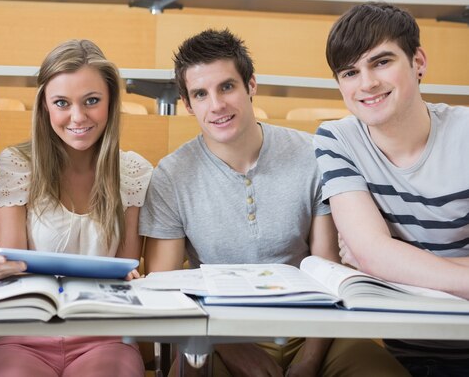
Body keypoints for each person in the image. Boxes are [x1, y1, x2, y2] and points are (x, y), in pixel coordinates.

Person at [140, 28, 408, 376]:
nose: (217, 105)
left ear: (250, 85)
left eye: (227, 86)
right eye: (201, 94)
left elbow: (328, 268)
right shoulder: (171, 175)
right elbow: (166, 286)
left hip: (314, 329)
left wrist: (310, 360)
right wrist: (229, 345)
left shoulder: (313, 154)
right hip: (217, 333)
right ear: (188, 105)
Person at [0, 39, 152, 377]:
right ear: (45, 108)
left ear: (110, 103)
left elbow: (126, 271)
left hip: (105, 333)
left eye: (92, 101)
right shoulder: (15, 164)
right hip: (20, 331)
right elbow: (12, 267)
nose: (77, 117)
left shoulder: (133, 172)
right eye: (62, 103)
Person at [315, 2, 469, 376]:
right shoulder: (337, 139)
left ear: (418, 61)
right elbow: (373, 255)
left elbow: (375, 257)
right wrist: (379, 260)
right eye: (350, 72)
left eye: (381, 62)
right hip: (400, 359)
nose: (367, 83)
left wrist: (394, 264)